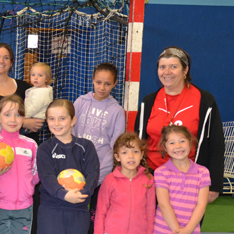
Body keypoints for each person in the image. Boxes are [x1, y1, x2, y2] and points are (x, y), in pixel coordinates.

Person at [134, 46, 224, 203]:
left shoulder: (205, 101)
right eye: (162, 67)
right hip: (152, 177)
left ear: (185, 70)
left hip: (189, 178)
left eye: (173, 67)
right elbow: (137, 140)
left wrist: (214, 185)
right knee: (151, 226)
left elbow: (216, 144)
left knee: (184, 226)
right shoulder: (149, 101)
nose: (166, 72)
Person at [72, 62, 125, 233]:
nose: (102, 87)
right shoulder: (80, 102)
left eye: (107, 83)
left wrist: (99, 175)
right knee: (75, 213)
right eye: (99, 82)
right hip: (76, 171)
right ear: (93, 80)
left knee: (96, 216)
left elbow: (115, 146)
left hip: (101, 174)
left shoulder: (116, 111)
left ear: (115, 84)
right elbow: (70, 133)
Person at [36, 99, 99, 234]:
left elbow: (93, 174)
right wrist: (64, 195)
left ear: (73, 120)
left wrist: (82, 193)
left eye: (62, 118)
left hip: (78, 209)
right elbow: (47, 177)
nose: (56, 123)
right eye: (51, 119)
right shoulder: (44, 149)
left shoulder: (86, 146)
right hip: (51, 209)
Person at [0, 95, 39, 234]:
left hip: (24, 207)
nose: (13, 120)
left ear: (23, 117)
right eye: (7, 115)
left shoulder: (31, 145)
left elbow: (36, 173)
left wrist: (26, 190)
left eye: (18, 115)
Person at [94, 132, 155, 234]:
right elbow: (101, 212)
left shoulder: (148, 179)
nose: (131, 156)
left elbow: (150, 211)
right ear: (117, 157)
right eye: (124, 153)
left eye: (135, 151)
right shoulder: (109, 180)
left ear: (141, 155)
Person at [153, 125, 210, 234]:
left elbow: (201, 204)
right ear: (165, 147)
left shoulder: (203, 172)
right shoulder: (161, 172)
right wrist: (177, 230)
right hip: (163, 229)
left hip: (191, 230)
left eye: (182, 141)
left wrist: (188, 230)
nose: (178, 146)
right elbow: (164, 204)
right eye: (172, 143)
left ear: (190, 142)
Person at [0, 43, 44, 144]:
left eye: (6, 58)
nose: (1, 61)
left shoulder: (25, 88)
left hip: (26, 146)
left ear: (11, 62)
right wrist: (23, 123)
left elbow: (39, 115)